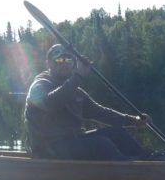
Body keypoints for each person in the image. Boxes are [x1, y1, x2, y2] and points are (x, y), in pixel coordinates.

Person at [25, 44, 153, 160]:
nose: (64, 63)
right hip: (48, 149)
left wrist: (134, 120)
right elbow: (51, 103)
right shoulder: (39, 85)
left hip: (72, 142)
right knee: (101, 144)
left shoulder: (75, 90)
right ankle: (132, 169)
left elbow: (101, 113)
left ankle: (147, 160)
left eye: (68, 59)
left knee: (118, 133)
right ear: (49, 64)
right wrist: (78, 76)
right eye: (59, 60)